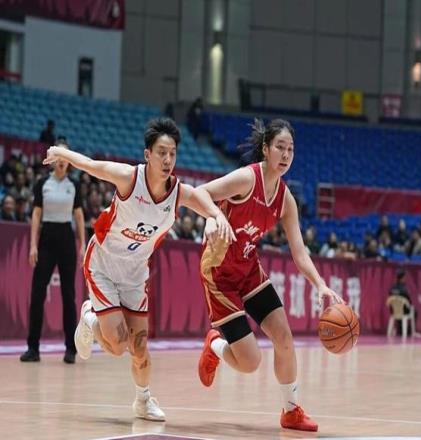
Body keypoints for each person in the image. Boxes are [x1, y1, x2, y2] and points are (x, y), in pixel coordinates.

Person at [42, 117, 234, 422]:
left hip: (134, 274)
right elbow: (91, 165)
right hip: (104, 263)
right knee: (118, 345)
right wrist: (61, 152)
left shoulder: (177, 192)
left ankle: (143, 401)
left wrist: (216, 217)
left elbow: (202, 198)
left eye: (172, 154)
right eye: (161, 153)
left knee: (140, 347)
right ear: (148, 154)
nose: (167, 160)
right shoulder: (129, 179)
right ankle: (90, 317)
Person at [196, 119, 343, 432]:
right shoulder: (246, 179)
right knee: (250, 362)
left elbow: (299, 252)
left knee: (284, 338)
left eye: (291, 149)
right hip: (219, 273)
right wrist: (213, 216)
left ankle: (291, 410)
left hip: (249, 270)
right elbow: (200, 192)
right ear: (265, 149)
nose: (286, 154)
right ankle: (216, 346)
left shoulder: (286, 200)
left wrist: (320, 284)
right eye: (280, 147)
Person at [20, 140, 86, 364]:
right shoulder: (42, 183)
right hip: (47, 238)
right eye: (58, 156)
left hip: (66, 239)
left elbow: (79, 216)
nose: (61, 161)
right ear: (53, 159)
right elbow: (36, 214)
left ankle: (70, 349)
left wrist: (82, 244)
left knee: (69, 295)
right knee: (37, 293)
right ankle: (33, 348)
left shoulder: (74, 185)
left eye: (65, 157)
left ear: (69, 161)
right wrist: (33, 245)